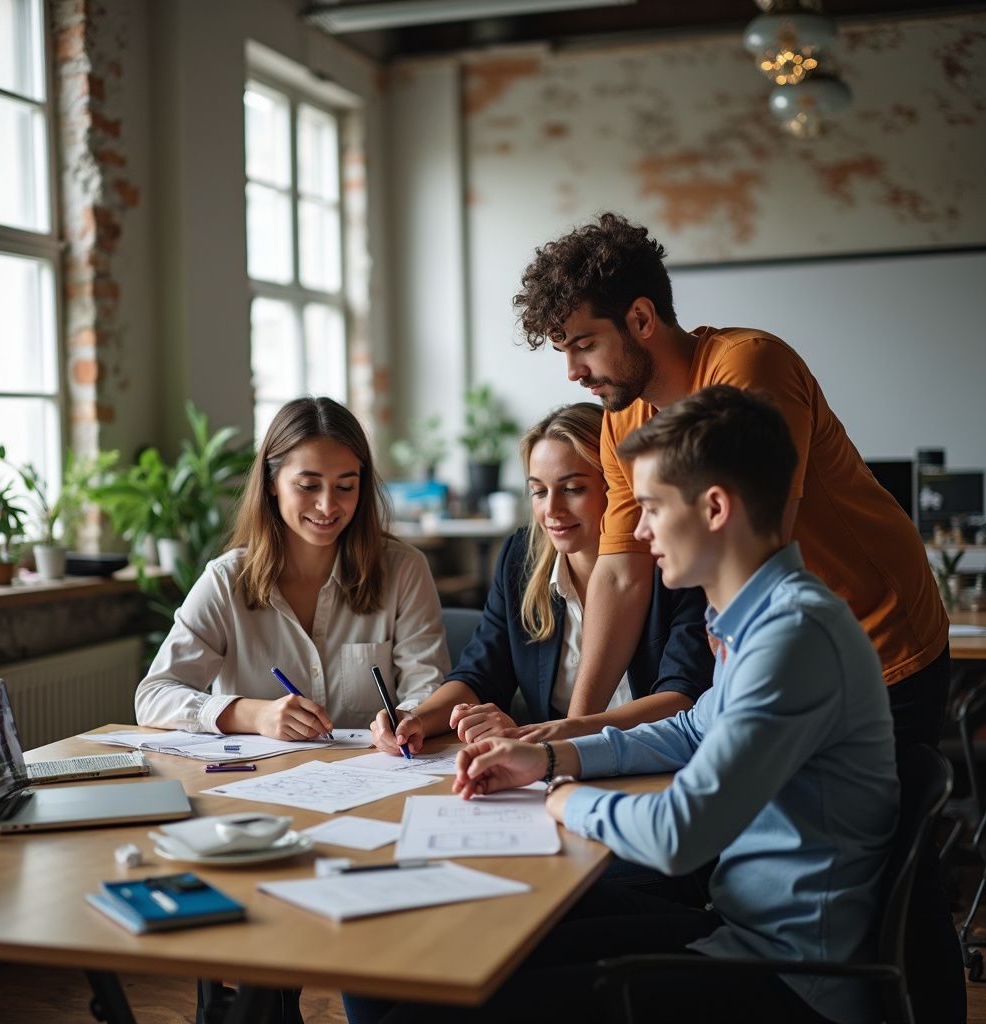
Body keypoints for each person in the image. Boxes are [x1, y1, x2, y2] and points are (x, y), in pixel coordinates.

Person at [345, 385, 899, 1024]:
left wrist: (561, 796)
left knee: (441, 998)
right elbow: (690, 728)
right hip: (733, 932)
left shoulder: (792, 639)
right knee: (430, 948)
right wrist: (551, 757)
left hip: (784, 978)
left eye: (651, 506)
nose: (634, 529)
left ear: (716, 508)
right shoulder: (762, 619)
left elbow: (676, 836)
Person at [514, 212, 949, 752]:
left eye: (584, 344)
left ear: (642, 318)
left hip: (876, 638)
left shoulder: (746, 367)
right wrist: (573, 732)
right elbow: (622, 572)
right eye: (564, 352)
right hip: (773, 658)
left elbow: (757, 549)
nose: (573, 373)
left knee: (867, 832)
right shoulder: (622, 417)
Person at [369, 403, 713, 758]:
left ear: (619, 487)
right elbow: (479, 676)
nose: (552, 510)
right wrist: (415, 718)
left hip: (655, 762)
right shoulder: (521, 558)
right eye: (539, 491)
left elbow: (682, 697)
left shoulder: (671, 564)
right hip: (551, 767)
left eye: (574, 488)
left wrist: (561, 735)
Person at [136, 396, 450, 739]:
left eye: (346, 486)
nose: (328, 505)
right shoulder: (227, 580)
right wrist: (253, 715)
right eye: (308, 485)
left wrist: (409, 719)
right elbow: (154, 696)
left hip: (378, 777)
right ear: (271, 483)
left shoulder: (404, 570)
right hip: (258, 784)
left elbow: (429, 690)